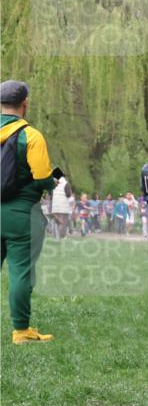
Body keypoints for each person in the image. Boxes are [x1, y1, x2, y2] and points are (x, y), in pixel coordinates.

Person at [0, 79, 55, 344]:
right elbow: (43, 178)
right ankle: (21, 331)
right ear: (25, 103)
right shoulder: (31, 136)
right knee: (20, 272)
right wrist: (52, 181)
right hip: (21, 214)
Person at [49, 175, 72, 239]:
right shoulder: (66, 183)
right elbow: (68, 194)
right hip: (63, 207)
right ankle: (61, 236)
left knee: (56, 222)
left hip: (55, 207)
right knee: (63, 222)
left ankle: (56, 236)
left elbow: (50, 195)